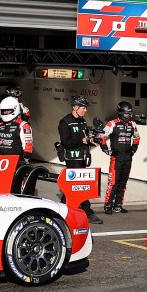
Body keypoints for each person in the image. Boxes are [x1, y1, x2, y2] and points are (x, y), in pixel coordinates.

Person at [57, 96, 102, 224]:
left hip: (82, 157)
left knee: (73, 187)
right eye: (83, 108)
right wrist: (82, 140)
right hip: (72, 158)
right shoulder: (65, 122)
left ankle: (61, 211)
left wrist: (91, 141)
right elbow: (66, 142)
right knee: (79, 185)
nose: (85, 110)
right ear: (76, 108)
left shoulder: (83, 121)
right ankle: (88, 212)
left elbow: (85, 138)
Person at [101, 102, 140, 214]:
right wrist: (107, 150)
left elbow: (137, 138)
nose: (128, 115)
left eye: (130, 113)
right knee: (113, 182)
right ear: (121, 113)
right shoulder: (112, 123)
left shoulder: (132, 124)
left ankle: (118, 205)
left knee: (123, 182)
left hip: (128, 157)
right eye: (126, 113)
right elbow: (101, 137)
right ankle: (108, 205)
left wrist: (133, 150)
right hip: (116, 157)